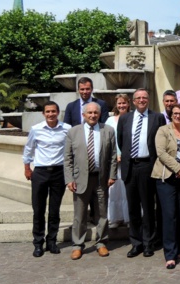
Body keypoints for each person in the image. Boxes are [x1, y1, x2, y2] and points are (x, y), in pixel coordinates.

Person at [63, 102, 117, 260]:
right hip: (80, 180)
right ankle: (77, 245)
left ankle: (101, 243)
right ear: (83, 115)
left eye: (95, 113)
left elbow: (113, 156)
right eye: (90, 113)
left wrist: (112, 175)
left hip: (101, 179)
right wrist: (69, 179)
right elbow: (67, 158)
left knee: (102, 213)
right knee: (79, 215)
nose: (93, 115)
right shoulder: (73, 132)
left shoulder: (108, 130)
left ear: (99, 114)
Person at [117, 88, 166, 258]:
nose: (142, 100)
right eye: (138, 98)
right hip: (130, 166)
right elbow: (121, 141)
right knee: (133, 208)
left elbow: (161, 141)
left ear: (149, 99)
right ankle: (135, 243)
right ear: (133, 101)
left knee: (148, 207)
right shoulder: (124, 118)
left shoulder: (157, 117)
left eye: (145, 97)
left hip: (148, 166)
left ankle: (148, 243)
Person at [151, 103, 180, 270]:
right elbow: (161, 153)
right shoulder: (163, 130)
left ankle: (178, 248)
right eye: (175, 113)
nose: (178, 116)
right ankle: (169, 254)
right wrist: (178, 168)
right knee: (170, 215)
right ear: (170, 115)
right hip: (166, 179)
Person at [22, 101, 71, 257]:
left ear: (58, 112)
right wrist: (27, 168)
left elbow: (70, 150)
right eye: (48, 112)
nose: (51, 114)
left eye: (53, 111)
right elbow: (28, 149)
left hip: (59, 172)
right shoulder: (36, 129)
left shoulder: (66, 129)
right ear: (43, 114)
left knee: (54, 210)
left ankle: (52, 241)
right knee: (38, 209)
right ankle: (38, 243)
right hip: (40, 172)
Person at [104, 94, 130, 228]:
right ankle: (114, 218)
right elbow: (107, 140)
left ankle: (128, 218)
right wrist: (114, 156)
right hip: (113, 160)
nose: (121, 106)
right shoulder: (109, 120)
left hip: (127, 159)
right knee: (114, 189)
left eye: (124, 103)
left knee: (126, 189)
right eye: (119, 103)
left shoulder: (132, 118)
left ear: (128, 104)